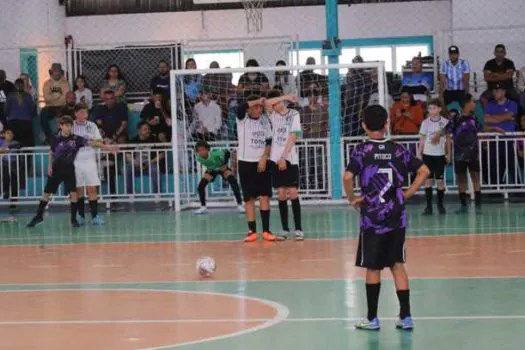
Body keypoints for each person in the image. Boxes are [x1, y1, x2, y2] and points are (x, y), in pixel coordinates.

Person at [343, 105, 430, 331]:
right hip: (396, 217)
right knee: (397, 265)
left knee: (372, 268)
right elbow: (424, 171)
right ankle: (406, 316)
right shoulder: (398, 150)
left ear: (364, 125)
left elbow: (347, 176)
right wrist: (408, 193)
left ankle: (372, 319)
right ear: (386, 125)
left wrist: (352, 198)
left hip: (372, 218)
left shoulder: (362, 151)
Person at [27, 116, 114, 228]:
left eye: (70, 126)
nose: (68, 128)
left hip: (69, 169)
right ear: (61, 126)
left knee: (73, 194)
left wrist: (108, 147)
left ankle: (73, 219)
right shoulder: (55, 138)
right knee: (46, 193)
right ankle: (38, 216)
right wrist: (49, 166)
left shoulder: (76, 139)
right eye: (66, 126)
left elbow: (93, 143)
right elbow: (51, 152)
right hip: (57, 169)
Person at [236, 95, 279, 242]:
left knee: (265, 196)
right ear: (250, 108)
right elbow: (240, 108)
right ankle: (252, 231)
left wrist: (264, 157)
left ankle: (266, 231)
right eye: (256, 107)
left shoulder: (265, 121)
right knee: (249, 199)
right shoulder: (242, 119)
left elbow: (269, 141)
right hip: (245, 163)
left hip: (261, 163)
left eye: (260, 107)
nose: (259, 109)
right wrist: (257, 101)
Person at [265, 90, 304, 241]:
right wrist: (285, 97)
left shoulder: (294, 114)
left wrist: (284, 157)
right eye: (273, 104)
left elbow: (293, 136)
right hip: (275, 159)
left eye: (276, 104)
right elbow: (266, 103)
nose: (273, 106)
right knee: (281, 193)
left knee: (293, 192)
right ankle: (284, 229)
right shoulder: (273, 115)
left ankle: (299, 228)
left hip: (290, 158)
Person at [446, 94, 487, 214]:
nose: (474, 104)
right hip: (459, 154)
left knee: (475, 177)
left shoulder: (474, 118)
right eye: (473, 102)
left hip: (473, 152)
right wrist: (448, 153)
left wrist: (495, 129)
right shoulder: (455, 118)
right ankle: (463, 205)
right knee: (461, 179)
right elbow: (448, 134)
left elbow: (481, 129)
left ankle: (478, 206)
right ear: (466, 104)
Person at [73, 103, 108, 226]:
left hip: (90, 161)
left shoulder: (92, 126)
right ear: (76, 113)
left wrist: (91, 142)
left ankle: (95, 216)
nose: (84, 115)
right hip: (75, 161)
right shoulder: (70, 126)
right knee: (79, 190)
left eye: (86, 112)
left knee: (92, 188)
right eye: (81, 112)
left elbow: (99, 141)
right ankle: (81, 215)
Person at [417, 99, 451, 215]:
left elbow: (448, 140)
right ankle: (428, 206)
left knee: (440, 181)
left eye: (434, 108)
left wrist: (448, 154)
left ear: (440, 109)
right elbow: (422, 140)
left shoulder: (445, 122)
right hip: (428, 154)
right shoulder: (425, 123)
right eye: (430, 108)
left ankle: (440, 204)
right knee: (428, 181)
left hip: (440, 155)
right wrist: (419, 153)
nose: (432, 110)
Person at [194, 140, 244, 214]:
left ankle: (240, 205)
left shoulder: (215, 154)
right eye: (199, 151)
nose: (201, 152)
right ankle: (203, 207)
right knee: (200, 187)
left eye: (203, 150)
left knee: (233, 181)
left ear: (207, 149)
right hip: (212, 170)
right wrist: (210, 169)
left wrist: (224, 165)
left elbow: (227, 153)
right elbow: (208, 164)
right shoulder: (198, 158)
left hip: (222, 168)